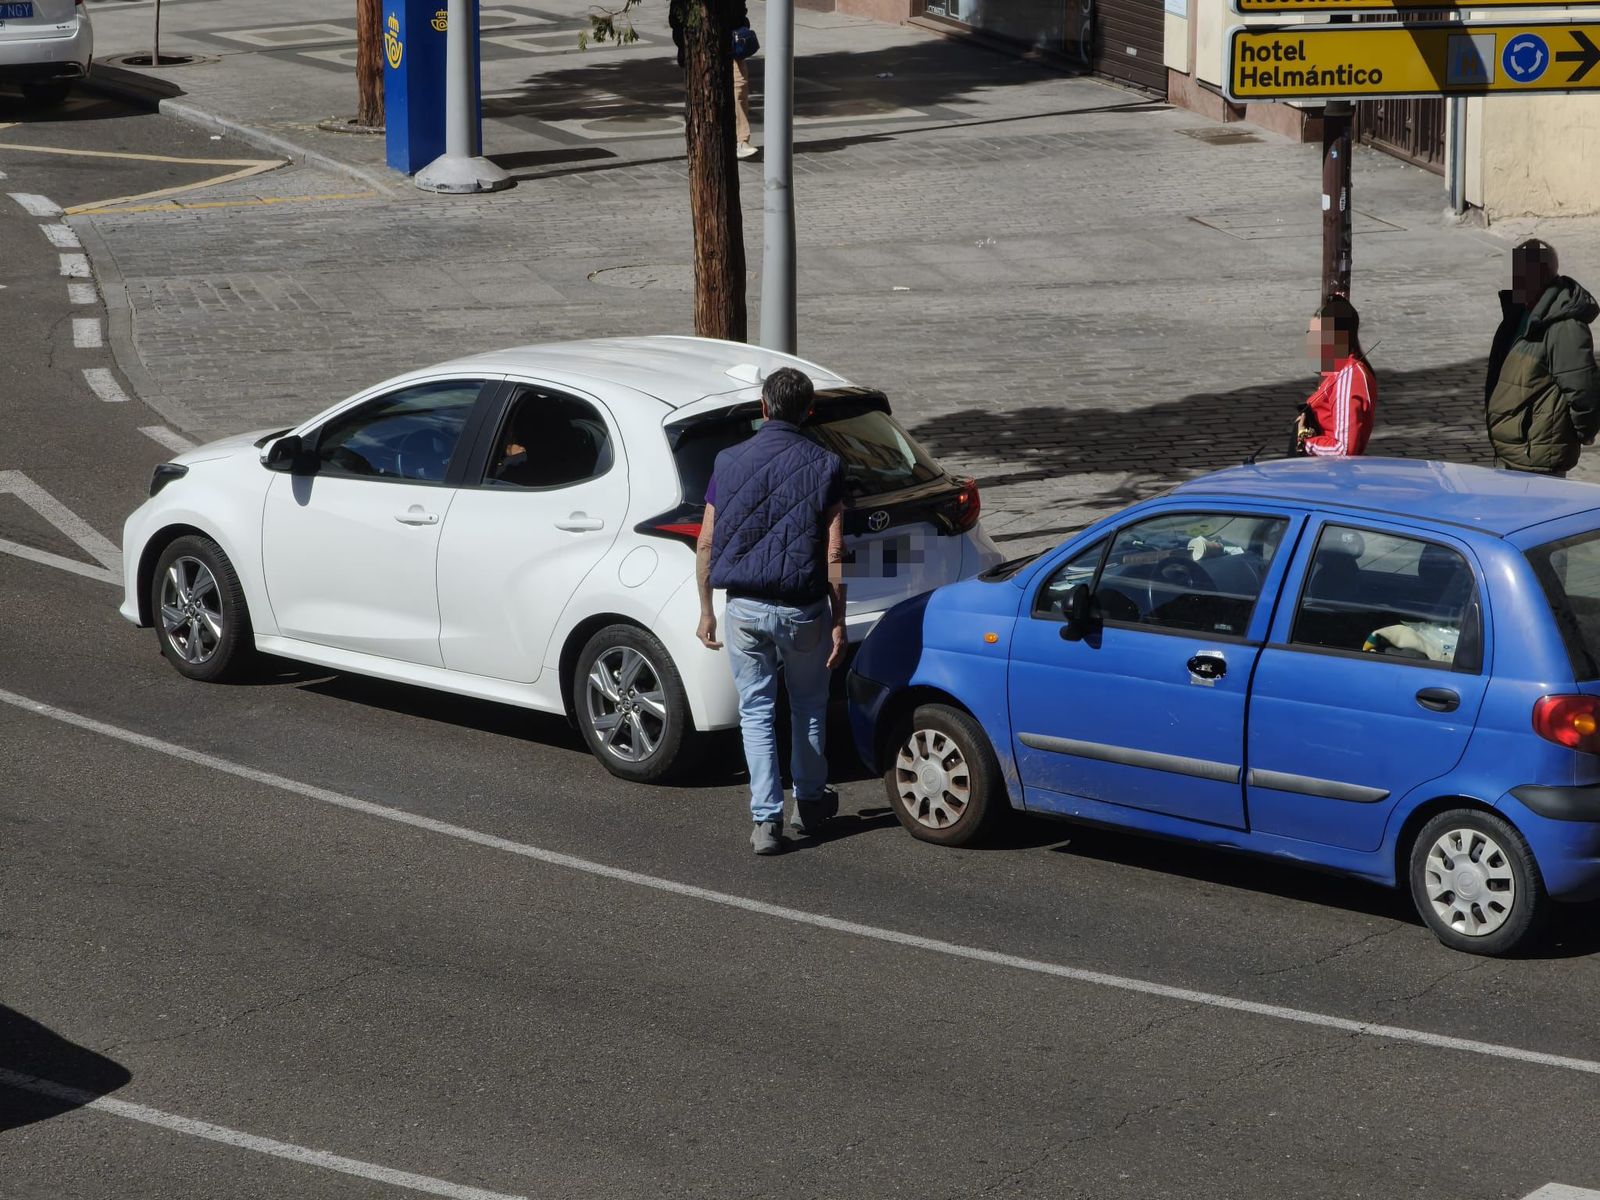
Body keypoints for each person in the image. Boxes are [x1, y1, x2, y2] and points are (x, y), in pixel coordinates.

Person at [695, 368, 847, 856]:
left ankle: (766, 821)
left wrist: (706, 610)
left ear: (763, 407)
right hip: (802, 610)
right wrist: (839, 619)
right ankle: (810, 801)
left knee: (756, 712)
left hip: (744, 607)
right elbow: (835, 551)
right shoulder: (826, 464)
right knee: (807, 706)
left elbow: (707, 542)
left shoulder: (728, 460)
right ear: (808, 411)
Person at [1485, 239, 1600, 476]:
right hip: (1515, 450)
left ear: (1541, 275)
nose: (1513, 281)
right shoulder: (1520, 314)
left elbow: (1583, 389)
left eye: (1520, 274)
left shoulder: (1565, 326)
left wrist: (1583, 433)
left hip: (1537, 455)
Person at [669, 0, 758, 160]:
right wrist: (685, 43)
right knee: (708, 94)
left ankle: (741, 140)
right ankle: (711, 139)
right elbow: (677, 16)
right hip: (701, 44)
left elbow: (739, 8)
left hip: (731, 39)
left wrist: (741, 24)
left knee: (739, 85)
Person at [1295, 295, 1376, 458]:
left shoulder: (1349, 378)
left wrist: (1305, 441)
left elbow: (1344, 450)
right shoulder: (1339, 373)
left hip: (1333, 476)